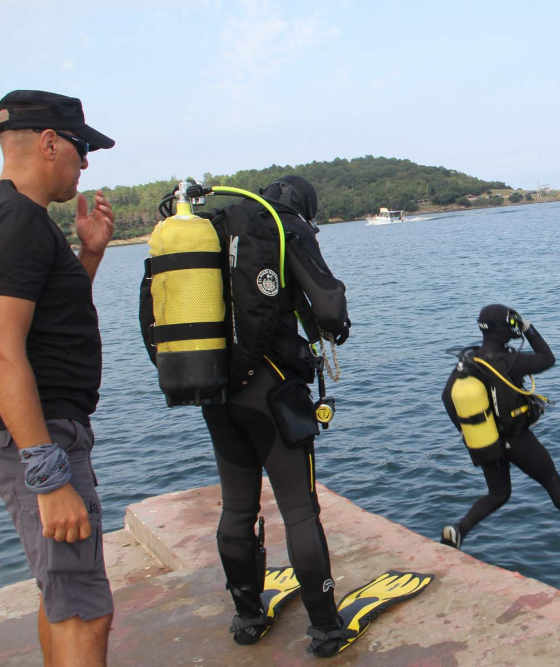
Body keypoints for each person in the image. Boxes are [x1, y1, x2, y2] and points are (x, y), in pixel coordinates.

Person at [0, 90, 116, 667]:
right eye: (80, 148)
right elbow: (0, 352)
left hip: (27, 430)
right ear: (49, 142)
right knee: (86, 609)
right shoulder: (16, 222)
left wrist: (89, 256)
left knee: (59, 592)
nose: (85, 164)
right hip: (35, 435)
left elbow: (45, 327)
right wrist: (49, 475)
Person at [185, 176, 354, 656]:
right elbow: (328, 306)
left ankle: (247, 617)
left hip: (215, 388)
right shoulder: (284, 229)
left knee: (238, 507)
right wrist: (333, 325)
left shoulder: (212, 227)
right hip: (271, 391)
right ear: (304, 206)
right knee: (299, 509)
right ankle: (325, 628)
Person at [441, 305, 560, 549]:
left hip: (485, 441)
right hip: (518, 439)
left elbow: (447, 398)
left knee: (498, 494)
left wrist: (466, 429)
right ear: (507, 328)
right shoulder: (511, 360)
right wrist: (528, 328)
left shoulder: (468, 362)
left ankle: (459, 529)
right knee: (551, 479)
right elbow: (548, 358)